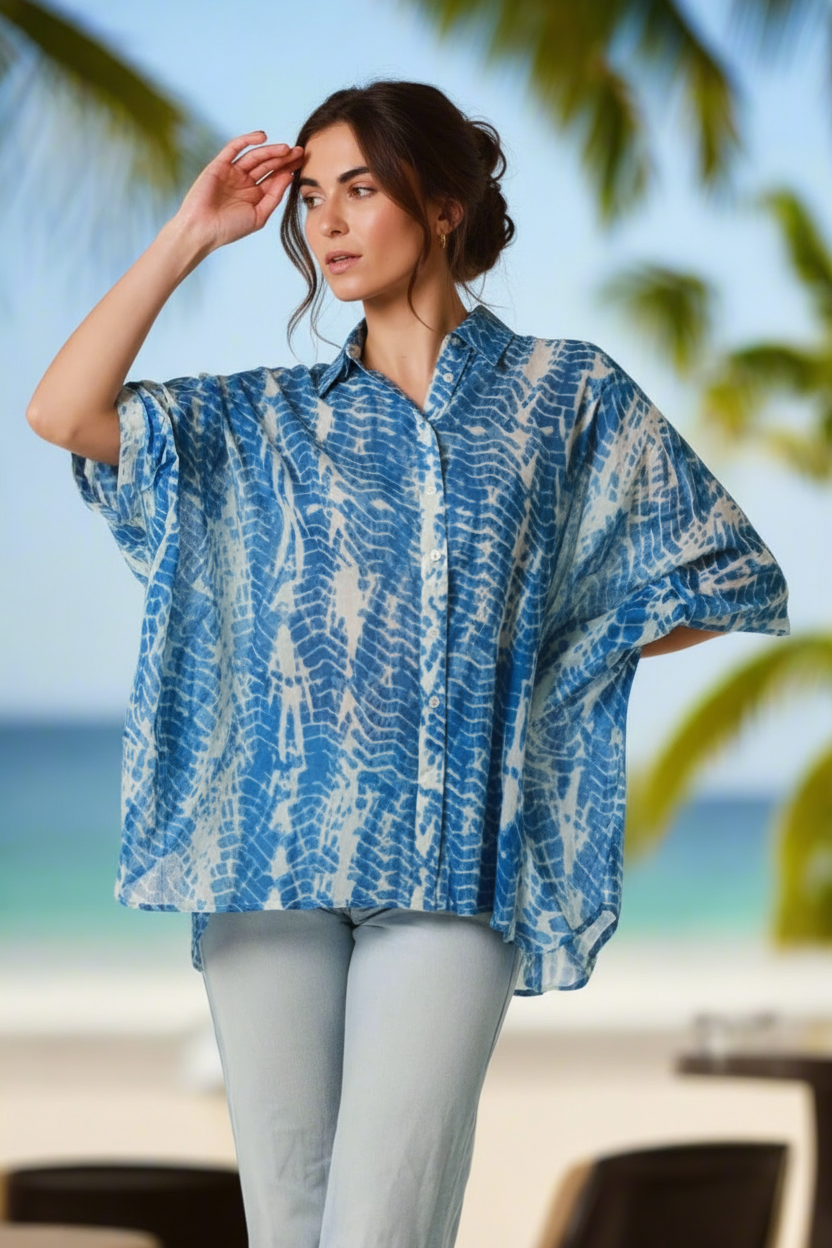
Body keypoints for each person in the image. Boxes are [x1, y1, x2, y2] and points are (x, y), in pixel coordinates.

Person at [27, 79, 789, 1248]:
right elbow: (63, 412)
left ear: (439, 206)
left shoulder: (563, 395)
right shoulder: (263, 419)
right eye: (312, 199)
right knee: (288, 1221)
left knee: (382, 1226)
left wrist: (557, 659)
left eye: (361, 191)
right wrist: (191, 234)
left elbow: (719, 571)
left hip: (449, 869)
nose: (326, 223)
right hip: (266, 864)